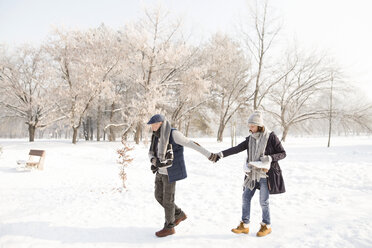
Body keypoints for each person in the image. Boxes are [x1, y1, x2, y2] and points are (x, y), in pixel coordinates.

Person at [209, 110, 286, 237]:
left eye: (252, 126)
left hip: (266, 175)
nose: (250, 128)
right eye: (249, 126)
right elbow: (237, 148)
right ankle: (244, 225)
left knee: (264, 201)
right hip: (252, 175)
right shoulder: (250, 139)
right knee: (245, 198)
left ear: (259, 125)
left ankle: (266, 225)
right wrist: (220, 154)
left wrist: (270, 158)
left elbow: (283, 153)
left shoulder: (271, 137)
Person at [147, 114, 213, 238]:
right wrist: (154, 161)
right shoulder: (155, 135)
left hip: (171, 173)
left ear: (160, 123)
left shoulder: (173, 134)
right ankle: (179, 214)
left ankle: (169, 227)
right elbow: (151, 152)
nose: (151, 126)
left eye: (153, 124)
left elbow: (191, 143)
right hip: (159, 171)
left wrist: (209, 155)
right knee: (158, 196)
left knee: (168, 200)